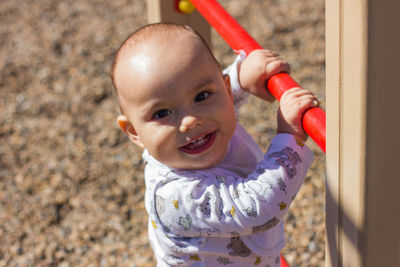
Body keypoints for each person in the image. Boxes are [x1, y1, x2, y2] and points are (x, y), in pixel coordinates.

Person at [112, 22, 318, 267]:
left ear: (225, 90)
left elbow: (219, 99)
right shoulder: (175, 197)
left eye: (201, 97)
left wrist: (241, 78)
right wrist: (289, 135)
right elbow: (255, 208)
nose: (190, 121)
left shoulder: (204, 127)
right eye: (162, 113)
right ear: (135, 132)